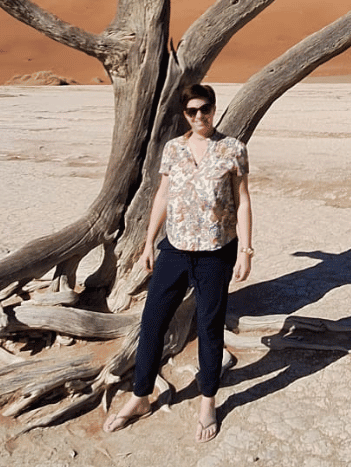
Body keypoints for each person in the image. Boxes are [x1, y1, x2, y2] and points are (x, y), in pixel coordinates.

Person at [102, 83, 253, 443]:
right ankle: (140, 396)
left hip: (217, 252)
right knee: (152, 321)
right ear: (183, 114)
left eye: (205, 109)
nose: (200, 116)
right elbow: (163, 195)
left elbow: (243, 201)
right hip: (175, 249)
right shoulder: (173, 149)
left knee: (209, 325)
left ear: (215, 109)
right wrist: (149, 242)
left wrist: (246, 250)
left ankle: (208, 400)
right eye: (192, 111)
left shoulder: (233, 149)